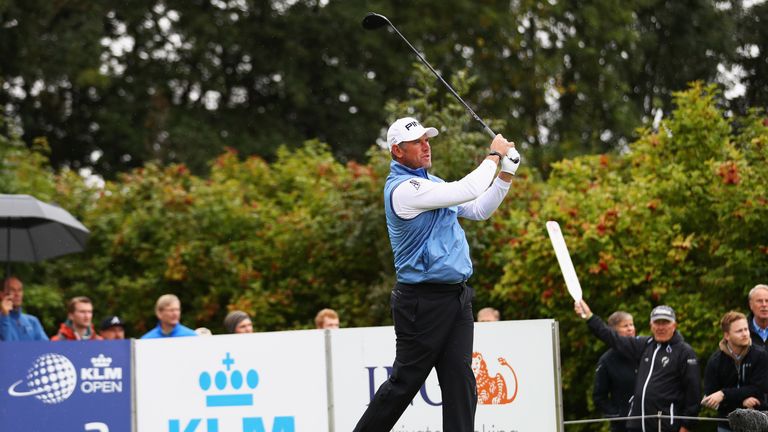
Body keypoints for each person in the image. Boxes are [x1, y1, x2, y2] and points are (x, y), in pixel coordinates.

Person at [352, 116, 520, 432]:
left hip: (457, 297)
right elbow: (468, 187)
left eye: (427, 140)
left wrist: (506, 175)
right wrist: (494, 155)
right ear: (398, 151)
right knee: (404, 383)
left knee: (461, 382)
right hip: (421, 302)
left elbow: (480, 209)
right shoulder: (404, 190)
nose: (426, 146)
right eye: (418, 142)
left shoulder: (433, 184)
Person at [575, 300, 701, 432]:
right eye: (657, 322)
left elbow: (694, 393)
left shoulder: (684, 352)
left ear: (674, 325)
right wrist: (589, 316)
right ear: (651, 325)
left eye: (665, 323)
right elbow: (612, 338)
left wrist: (686, 425)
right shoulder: (645, 344)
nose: (661, 327)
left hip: (665, 426)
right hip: (637, 425)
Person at [702, 311, 768, 432]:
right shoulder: (715, 361)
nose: (745, 334)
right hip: (726, 425)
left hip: (758, 424)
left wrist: (724, 394)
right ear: (727, 335)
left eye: (746, 329)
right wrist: (742, 402)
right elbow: (711, 397)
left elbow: (759, 389)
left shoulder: (761, 355)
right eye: (739, 331)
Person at [593, 311, 637, 432]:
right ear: (613, 331)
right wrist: (617, 415)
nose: (630, 329)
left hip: (650, 423)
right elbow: (599, 397)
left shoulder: (645, 353)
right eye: (625, 326)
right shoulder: (606, 360)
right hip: (622, 427)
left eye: (631, 325)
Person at [0, 276, 48, 341]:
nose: (17, 294)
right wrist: (4, 316)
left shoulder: (32, 321)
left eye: (20, 290)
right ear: (2, 294)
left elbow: (46, 348)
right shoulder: (2, 320)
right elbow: (6, 347)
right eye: (12, 290)